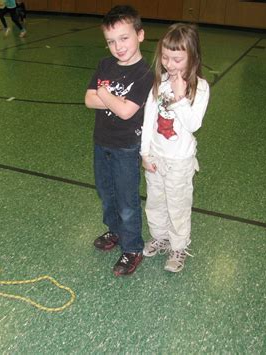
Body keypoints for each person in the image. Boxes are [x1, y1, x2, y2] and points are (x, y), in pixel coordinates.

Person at [85, 5, 153, 276]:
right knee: (106, 192)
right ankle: (114, 231)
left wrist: (103, 92)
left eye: (124, 38)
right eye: (111, 41)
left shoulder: (145, 73)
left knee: (126, 200)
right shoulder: (105, 64)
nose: (118, 46)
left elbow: (126, 112)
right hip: (101, 141)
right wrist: (107, 97)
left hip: (126, 146)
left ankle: (133, 247)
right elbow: (88, 100)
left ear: (140, 35)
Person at [140, 23, 210, 272]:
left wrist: (180, 98)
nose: (170, 64)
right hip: (156, 155)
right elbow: (149, 118)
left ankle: (178, 246)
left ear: (192, 58)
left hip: (180, 160)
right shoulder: (160, 83)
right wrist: (144, 152)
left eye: (177, 59)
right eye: (166, 57)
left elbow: (193, 124)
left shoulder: (200, 88)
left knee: (177, 204)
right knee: (156, 201)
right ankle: (160, 237)